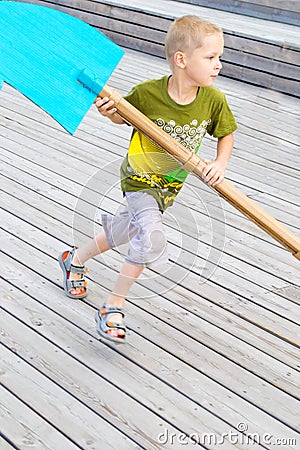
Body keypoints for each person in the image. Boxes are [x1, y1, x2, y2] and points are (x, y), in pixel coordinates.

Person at [59, 15, 237, 343]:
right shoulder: (149, 93)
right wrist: (109, 110)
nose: (219, 65)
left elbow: (226, 133)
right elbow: (120, 115)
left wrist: (220, 163)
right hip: (139, 179)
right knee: (151, 237)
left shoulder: (213, 101)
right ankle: (112, 305)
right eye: (211, 57)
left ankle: (75, 259)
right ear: (181, 60)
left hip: (170, 187)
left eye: (219, 58)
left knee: (123, 232)